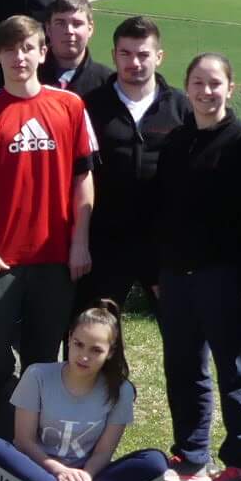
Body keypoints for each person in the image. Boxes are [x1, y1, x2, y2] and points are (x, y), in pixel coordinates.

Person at [0, 14, 97, 436]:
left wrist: (80, 242)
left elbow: (83, 178)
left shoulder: (70, 107)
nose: (20, 57)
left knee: (43, 360)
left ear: (43, 53)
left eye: (28, 47)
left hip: (55, 257)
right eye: (10, 49)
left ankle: (33, 441)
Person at [154, 55, 241, 481]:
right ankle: (191, 454)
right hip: (177, 276)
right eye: (198, 83)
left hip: (225, 276)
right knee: (183, 367)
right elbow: (161, 210)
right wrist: (160, 270)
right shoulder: (177, 141)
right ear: (187, 88)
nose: (206, 91)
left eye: (215, 83)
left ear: (230, 88)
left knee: (235, 371)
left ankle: (239, 464)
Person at [0, 303, 165, 481]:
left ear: (110, 352)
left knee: (156, 462)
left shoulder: (121, 390)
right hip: (36, 473)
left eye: (96, 350)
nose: (84, 356)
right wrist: (62, 472)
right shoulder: (37, 375)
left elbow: (104, 452)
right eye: (78, 344)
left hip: (88, 476)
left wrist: (85, 477)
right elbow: (24, 442)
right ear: (68, 339)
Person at [79, 16, 191, 314]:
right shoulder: (90, 107)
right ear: (114, 55)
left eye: (143, 54)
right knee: (96, 328)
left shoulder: (181, 108)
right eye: (126, 54)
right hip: (105, 241)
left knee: (180, 330)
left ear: (159, 56)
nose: (135, 63)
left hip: (163, 244)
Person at [43, 0, 111, 98]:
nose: (69, 31)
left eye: (77, 24)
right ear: (48, 29)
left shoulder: (108, 83)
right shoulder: (28, 77)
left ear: (90, 28)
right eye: (60, 23)